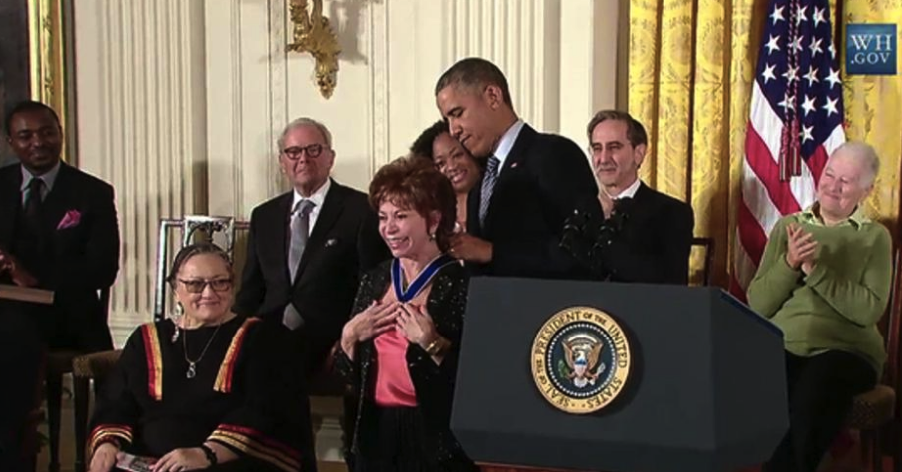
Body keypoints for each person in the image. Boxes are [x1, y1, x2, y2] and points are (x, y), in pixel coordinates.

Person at [88, 243, 313, 472]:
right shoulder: (146, 338)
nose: (209, 293)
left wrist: (206, 454)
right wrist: (108, 444)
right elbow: (116, 401)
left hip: (226, 460)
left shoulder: (262, 338)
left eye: (220, 283)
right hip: (152, 462)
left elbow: (265, 410)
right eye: (196, 284)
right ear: (176, 288)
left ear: (232, 285)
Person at [747, 142, 892, 472]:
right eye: (829, 174)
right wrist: (790, 262)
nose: (832, 186)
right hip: (785, 345)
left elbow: (868, 310)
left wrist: (815, 271)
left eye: (846, 181)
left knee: (813, 390)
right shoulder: (788, 228)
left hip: (846, 352)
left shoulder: (874, 237)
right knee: (760, 381)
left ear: (866, 191)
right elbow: (758, 304)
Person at [334, 156, 478, 472]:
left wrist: (432, 344)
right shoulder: (375, 280)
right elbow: (346, 374)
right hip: (374, 433)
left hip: (434, 440)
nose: (389, 228)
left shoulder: (462, 285)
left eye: (400, 216)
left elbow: (476, 383)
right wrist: (349, 337)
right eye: (383, 217)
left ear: (434, 220)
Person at [235, 117, 388, 377]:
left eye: (313, 150)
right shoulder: (264, 216)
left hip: (331, 341)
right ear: (282, 162)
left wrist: (348, 339)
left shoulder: (361, 210)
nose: (303, 159)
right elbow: (251, 290)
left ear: (330, 157)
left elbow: (372, 286)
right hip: (268, 338)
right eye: (293, 152)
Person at [434, 57, 597, 279]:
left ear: (493, 96)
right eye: (447, 120)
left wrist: (492, 252)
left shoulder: (554, 154)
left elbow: (582, 252)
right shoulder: (480, 182)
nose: (454, 130)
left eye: (457, 113)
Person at [0, 100, 120, 352]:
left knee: (17, 335)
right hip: (6, 307)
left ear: (60, 134)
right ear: (10, 142)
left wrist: (32, 278)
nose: (38, 142)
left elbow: (103, 268)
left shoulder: (93, 193)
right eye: (25, 136)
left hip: (67, 314)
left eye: (47, 132)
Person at [560, 110, 694, 284]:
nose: (603, 158)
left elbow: (669, 281)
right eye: (597, 148)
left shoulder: (671, 212)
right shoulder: (578, 210)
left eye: (614, 147)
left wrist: (609, 226)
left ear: (638, 153)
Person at [410, 120, 482, 231]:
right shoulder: (430, 218)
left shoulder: (499, 198)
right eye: (441, 163)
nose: (452, 167)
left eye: (457, 155)